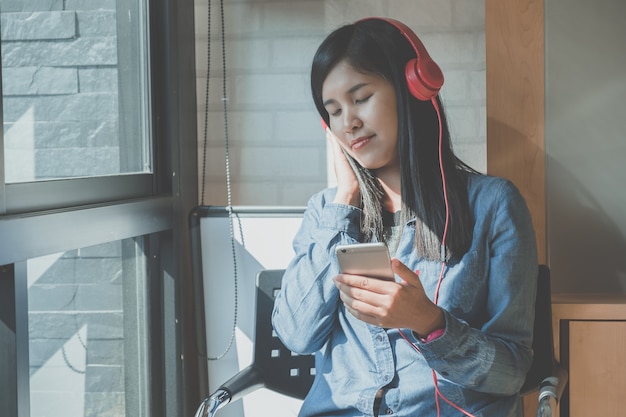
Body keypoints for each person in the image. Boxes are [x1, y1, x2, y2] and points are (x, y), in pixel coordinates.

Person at [272, 17, 538, 417]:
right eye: (335, 111)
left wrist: (429, 322)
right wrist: (345, 199)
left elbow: (512, 373)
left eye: (361, 98)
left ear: (412, 89)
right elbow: (296, 335)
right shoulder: (326, 213)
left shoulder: (493, 205)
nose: (350, 122)